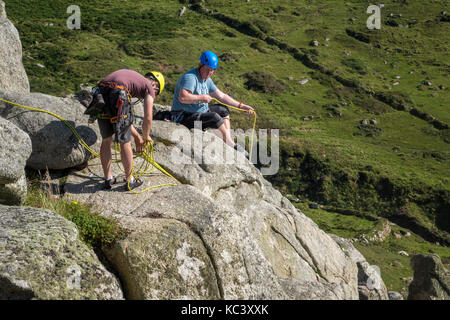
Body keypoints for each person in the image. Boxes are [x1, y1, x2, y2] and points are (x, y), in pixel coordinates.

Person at [171, 51, 254, 156]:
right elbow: (183, 97)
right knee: (214, 117)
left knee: (223, 111)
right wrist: (202, 97)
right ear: (200, 65)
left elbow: (222, 96)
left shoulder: (207, 80)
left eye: (212, 70)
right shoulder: (191, 78)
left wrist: (242, 106)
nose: (209, 73)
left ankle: (228, 140)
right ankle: (231, 145)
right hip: (183, 116)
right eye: (207, 69)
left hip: (197, 112)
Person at [93, 69, 164, 190]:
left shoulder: (134, 79)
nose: (154, 95)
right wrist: (146, 136)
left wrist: (137, 136)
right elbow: (148, 117)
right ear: (155, 85)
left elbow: (122, 121)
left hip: (101, 91)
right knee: (125, 141)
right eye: (156, 94)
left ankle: (108, 179)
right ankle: (129, 180)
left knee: (106, 139)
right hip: (118, 92)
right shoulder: (149, 88)